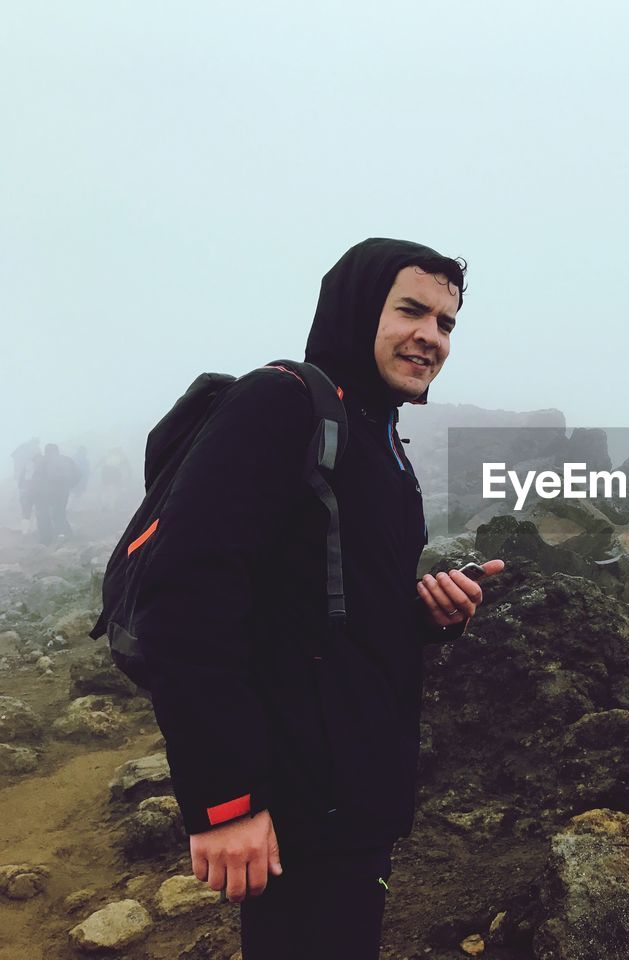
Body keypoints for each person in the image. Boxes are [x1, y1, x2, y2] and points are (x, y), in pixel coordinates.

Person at [127, 238, 504, 959]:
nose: (432, 336)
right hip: (293, 795)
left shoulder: (379, 437)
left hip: (357, 788)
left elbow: (319, 605)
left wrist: (423, 614)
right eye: (412, 311)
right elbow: (182, 602)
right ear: (359, 310)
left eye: (447, 323)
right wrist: (225, 800)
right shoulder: (281, 403)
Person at [31, 443, 81, 544]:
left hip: (46, 493)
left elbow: (36, 478)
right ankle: (66, 534)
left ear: (46, 451)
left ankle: (46, 540)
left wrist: (35, 493)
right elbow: (78, 474)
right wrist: (69, 485)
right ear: (57, 450)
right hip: (63, 492)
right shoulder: (67, 460)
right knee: (59, 513)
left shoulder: (43, 461)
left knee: (43, 515)